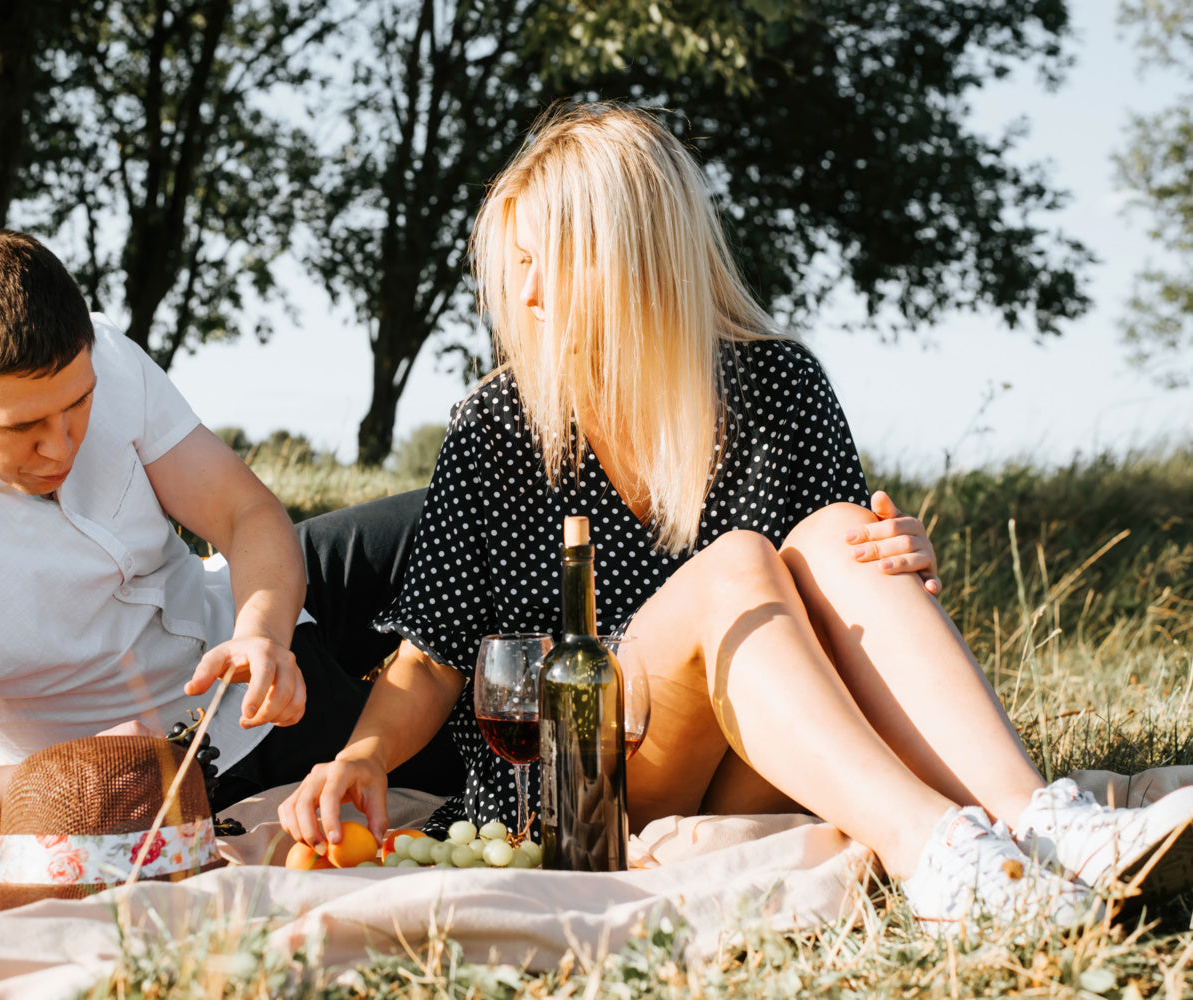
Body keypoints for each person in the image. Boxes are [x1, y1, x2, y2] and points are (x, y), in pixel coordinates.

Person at [279, 103, 1193, 931]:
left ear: (623, 255)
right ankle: (937, 856)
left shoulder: (778, 386)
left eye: (536, 263)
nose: (519, 296)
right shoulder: (498, 425)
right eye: (512, 266)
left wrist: (891, 559)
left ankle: (1042, 824)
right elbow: (431, 658)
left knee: (839, 535)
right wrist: (363, 757)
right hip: (578, 790)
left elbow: (845, 607)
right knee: (739, 565)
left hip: (762, 758)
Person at [0, 227, 458, 835]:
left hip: (248, 605)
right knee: (499, 762)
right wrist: (65, 777)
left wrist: (262, 634)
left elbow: (245, 514)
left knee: (466, 512)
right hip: (208, 745)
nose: (60, 447)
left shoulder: (97, 348)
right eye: (21, 429)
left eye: (79, 404)